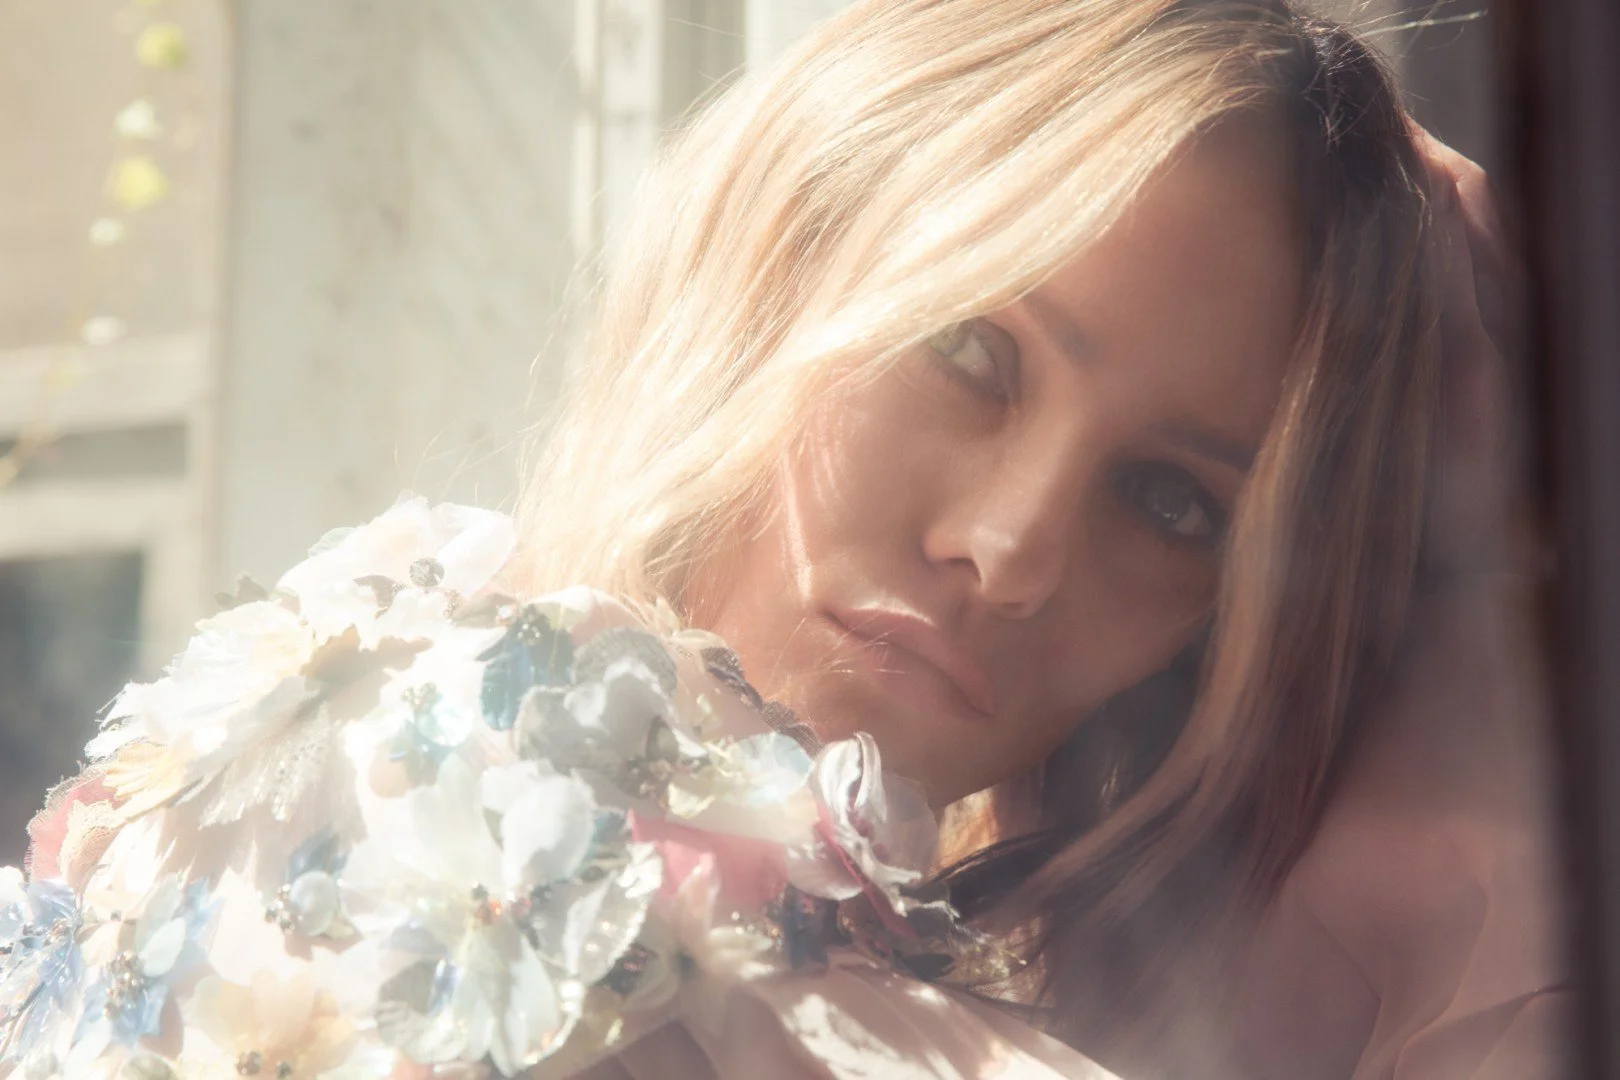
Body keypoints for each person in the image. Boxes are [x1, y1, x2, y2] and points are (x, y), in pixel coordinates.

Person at [1, 2, 1565, 1079]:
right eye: (972, 350)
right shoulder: (419, 744)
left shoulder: (968, 975)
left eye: (1169, 502)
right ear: (794, 248)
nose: (1013, 550)